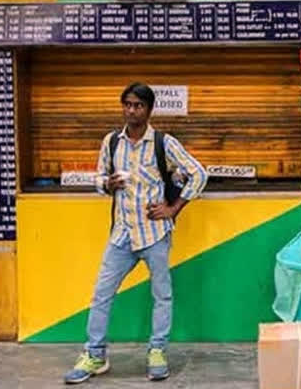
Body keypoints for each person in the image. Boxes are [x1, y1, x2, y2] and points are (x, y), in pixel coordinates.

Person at [64, 83, 208, 384]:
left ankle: (157, 352)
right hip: (121, 235)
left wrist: (174, 208)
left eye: (138, 105)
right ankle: (95, 355)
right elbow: (99, 178)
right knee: (101, 295)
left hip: (154, 233)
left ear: (149, 109)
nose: (132, 110)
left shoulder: (163, 143)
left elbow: (199, 173)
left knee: (162, 295)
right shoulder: (111, 142)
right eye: (127, 104)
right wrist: (108, 184)